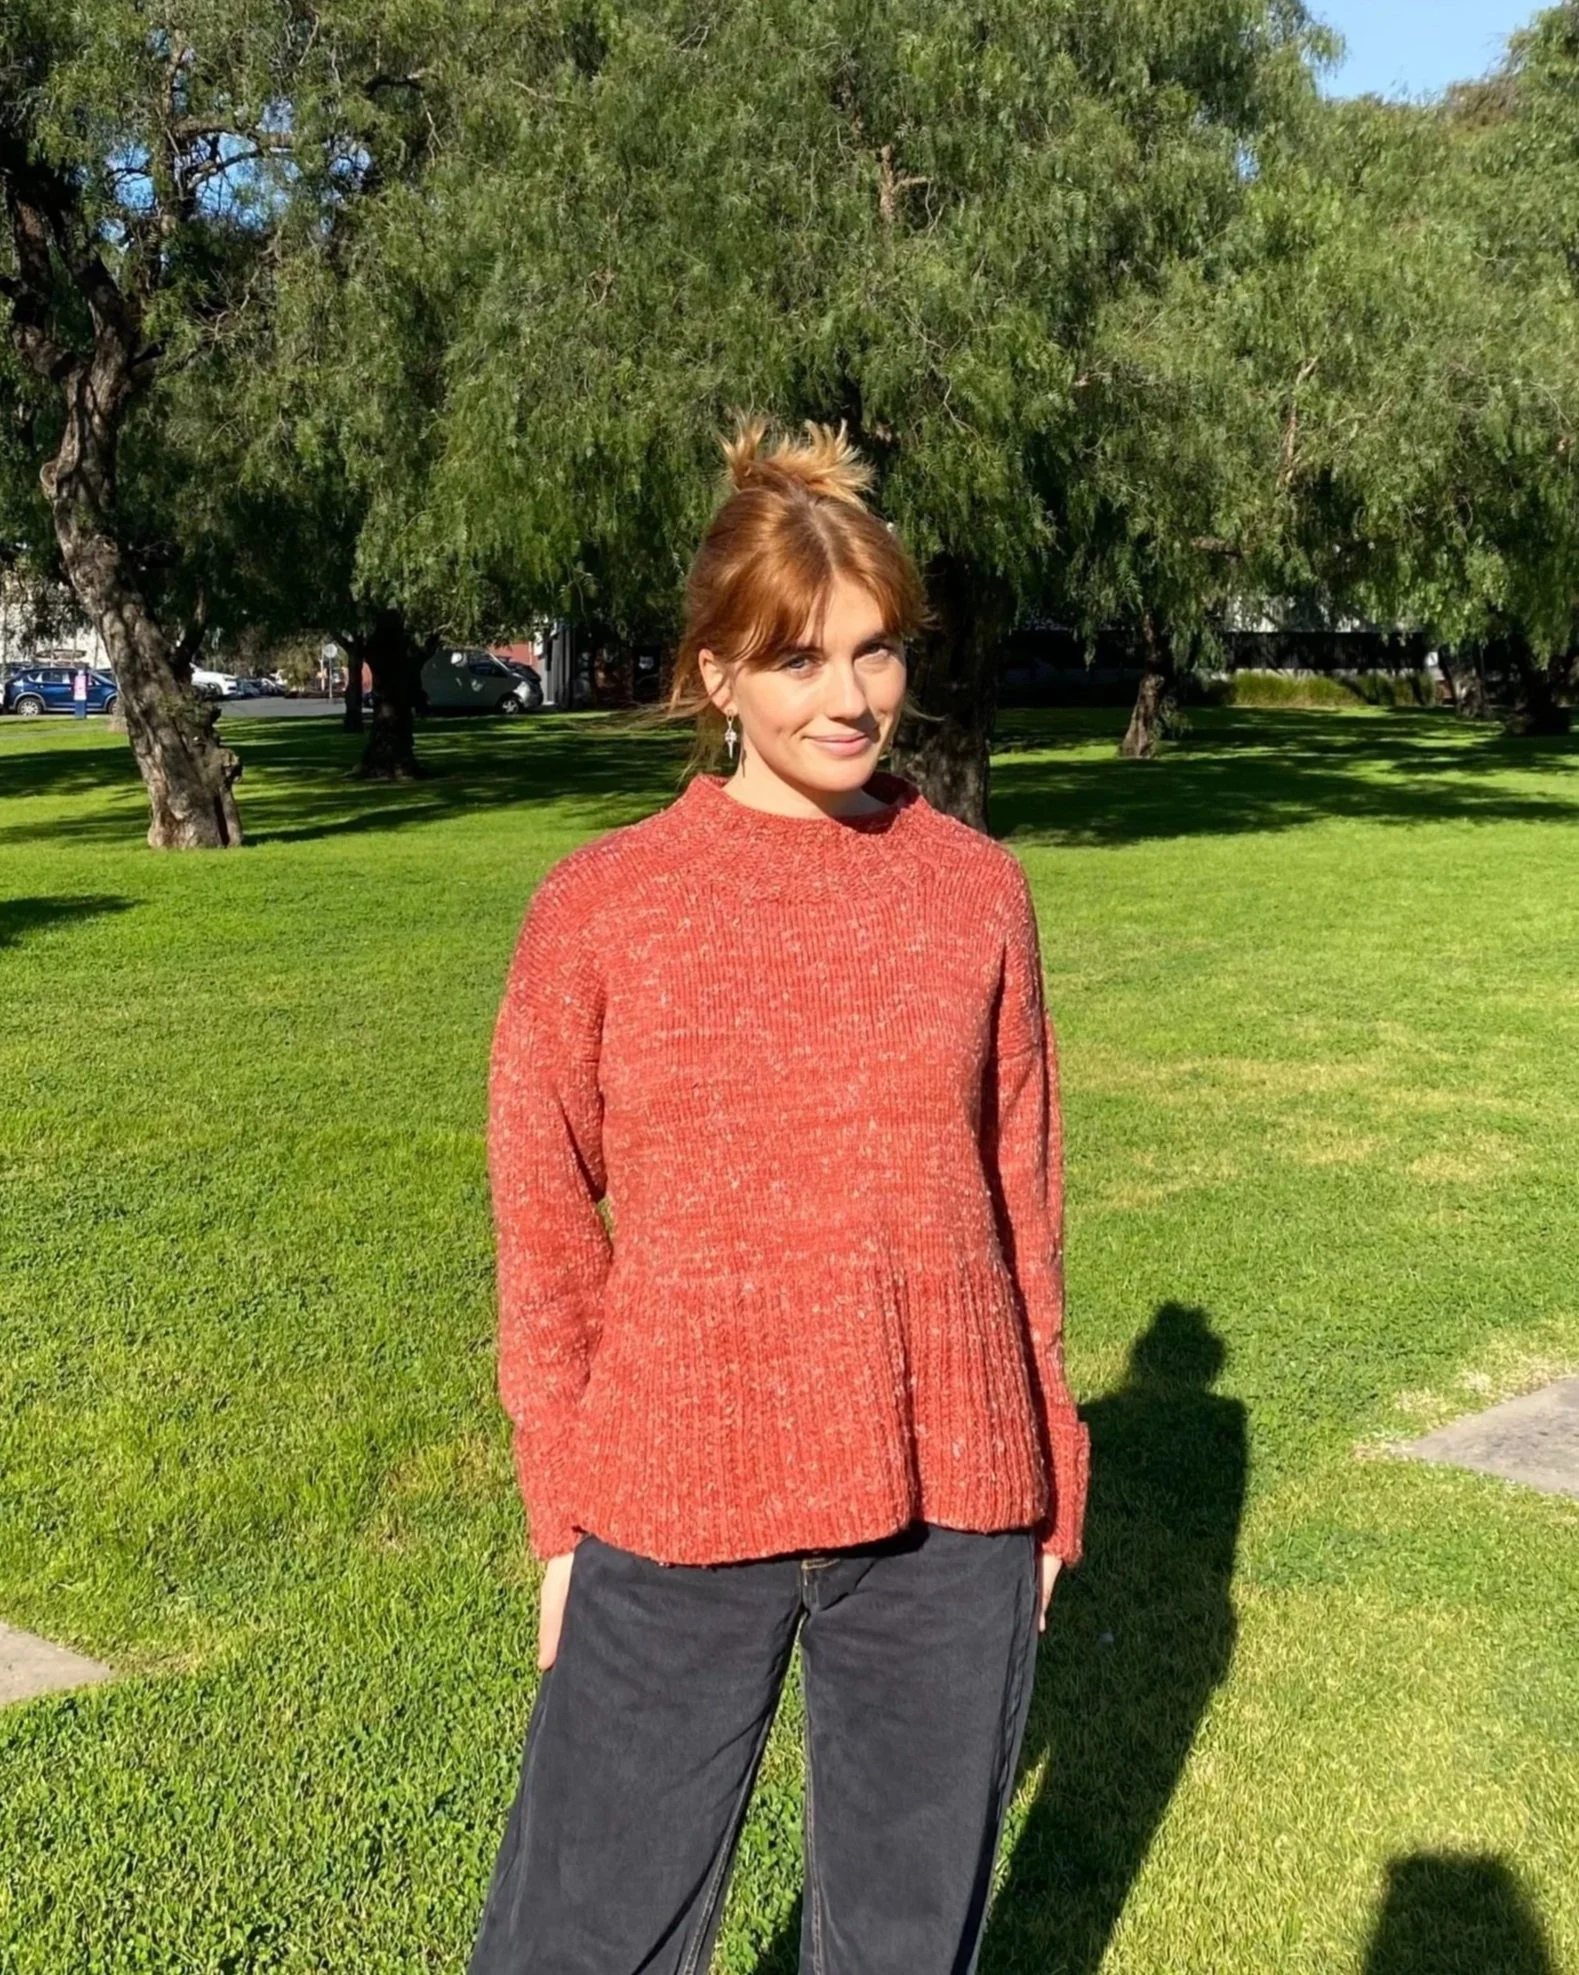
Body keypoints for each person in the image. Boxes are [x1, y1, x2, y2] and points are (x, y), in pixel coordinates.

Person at [470, 419, 1090, 1975]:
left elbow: (1020, 1200)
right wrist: (562, 1510)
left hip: (950, 1495)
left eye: (874, 652)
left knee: (897, 1944)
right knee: (579, 1939)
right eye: (799, 659)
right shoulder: (602, 908)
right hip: (675, 1486)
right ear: (713, 674)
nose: (849, 697)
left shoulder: (975, 890)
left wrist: (1044, 1469)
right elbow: (545, 1232)